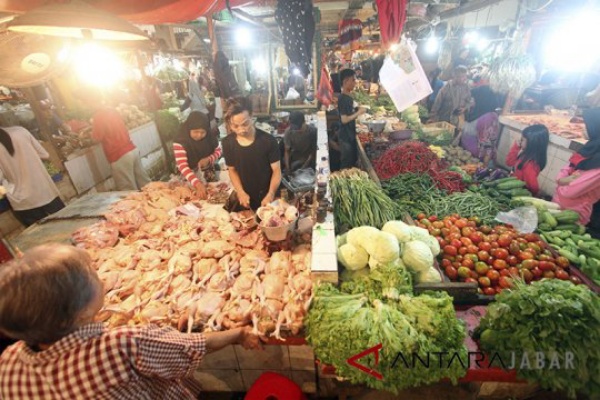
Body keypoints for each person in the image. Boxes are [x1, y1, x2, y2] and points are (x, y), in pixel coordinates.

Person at [0, 243, 263, 399]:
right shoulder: (120, 345)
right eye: (92, 274)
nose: (100, 275)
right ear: (79, 313)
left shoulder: (8, 362)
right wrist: (237, 335)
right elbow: (192, 344)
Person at [78, 89, 150, 191]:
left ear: (89, 102)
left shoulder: (98, 116)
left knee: (129, 191)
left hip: (119, 155)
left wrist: (85, 140)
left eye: (85, 104)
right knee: (146, 184)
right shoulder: (112, 110)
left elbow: (96, 138)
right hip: (131, 149)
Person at [222, 98, 282, 210]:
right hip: (245, 196)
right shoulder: (227, 143)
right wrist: (240, 192)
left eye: (245, 124)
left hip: (268, 193)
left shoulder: (268, 141)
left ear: (251, 117)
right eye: (235, 126)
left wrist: (271, 193)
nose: (241, 130)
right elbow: (232, 170)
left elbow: (277, 170)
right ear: (230, 124)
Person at [0, 127, 65, 227]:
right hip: (45, 192)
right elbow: (44, 155)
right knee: (68, 227)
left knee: (44, 238)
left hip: (22, 202)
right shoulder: (20, 131)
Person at [553, 108, 600, 225]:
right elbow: (566, 168)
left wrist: (561, 184)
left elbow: (571, 191)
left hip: (573, 216)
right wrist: (563, 180)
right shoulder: (588, 148)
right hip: (557, 205)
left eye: (587, 124)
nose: (583, 127)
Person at [173, 112, 222, 199]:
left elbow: (218, 151)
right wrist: (197, 184)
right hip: (187, 176)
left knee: (213, 196)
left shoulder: (210, 136)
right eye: (195, 132)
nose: (199, 135)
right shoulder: (180, 141)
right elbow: (183, 166)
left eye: (203, 132)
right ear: (189, 129)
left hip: (207, 173)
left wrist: (209, 159)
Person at [505, 124, 549, 196]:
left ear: (532, 143)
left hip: (517, 192)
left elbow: (533, 187)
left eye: (522, 139)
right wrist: (516, 147)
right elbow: (509, 162)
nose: (520, 141)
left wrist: (531, 196)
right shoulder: (526, 155)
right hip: (513, 185)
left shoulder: (530, 165)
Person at [338, 68, 367, 169]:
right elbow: (344, 119)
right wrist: (359, 112)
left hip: (349, 135)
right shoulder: (343, 99)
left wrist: (356, 108)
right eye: (353, 80)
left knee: (350, 163)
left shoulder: (348, 97)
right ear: (345, 81)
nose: (355, 82)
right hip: (345, 137)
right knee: (346, 165)